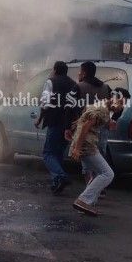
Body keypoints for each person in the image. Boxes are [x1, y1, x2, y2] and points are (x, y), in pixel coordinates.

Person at [69, 88, 130, 216]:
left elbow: (85, 117)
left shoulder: (102, 107)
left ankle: (88, 203)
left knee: (99, 173)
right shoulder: (102, 110)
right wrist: (77, 148)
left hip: (88, 143)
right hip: (87, 145)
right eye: (122, 103)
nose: (122, 107)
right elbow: (86, 126)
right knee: (108, 174)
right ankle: (83, 200)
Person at [35, 61, 79, 194]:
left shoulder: (50, 82)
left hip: (54, 120)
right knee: (58, 153)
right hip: (68, 123)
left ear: (55, 70)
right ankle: (56, 183)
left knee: (48, 153)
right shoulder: (73, 84)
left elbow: (45, 103)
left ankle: (61, 176)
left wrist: (40, 119)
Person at [75, 61, 112, 192]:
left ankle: (90, 189)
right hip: (102, 128)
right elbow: (111, 107)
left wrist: (70, 127)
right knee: (99, 156)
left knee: (87, 159)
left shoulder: (79, 87)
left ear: (84, 72)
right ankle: (99, 186)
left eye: (80, 71)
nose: (78, 73)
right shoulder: (106, 87)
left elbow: (73, 108)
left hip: (86, 128)